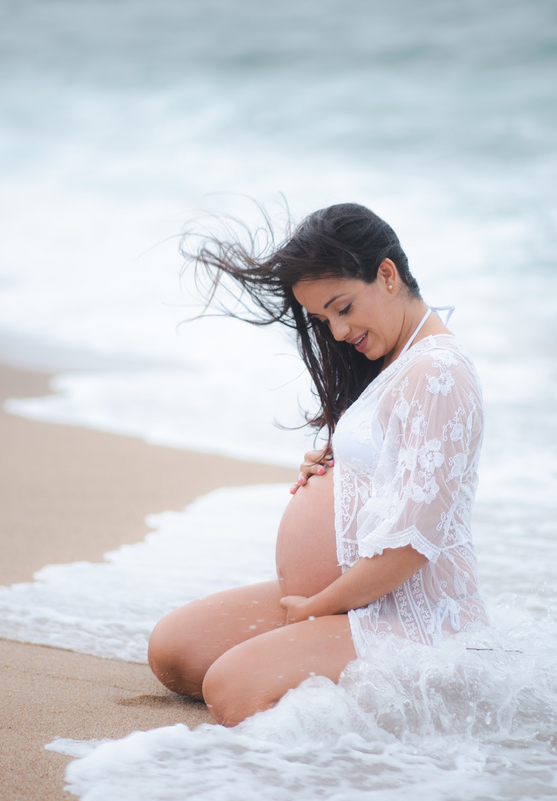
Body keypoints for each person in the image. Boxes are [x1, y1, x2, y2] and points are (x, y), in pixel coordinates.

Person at [147, 202, 487, 726]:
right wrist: (339, 465)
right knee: (175, 651)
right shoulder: (395, 362)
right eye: (323, 319)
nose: (336, 331)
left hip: (411, 613)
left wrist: (318, 608)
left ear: (387, 275)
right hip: (357, 598)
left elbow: (414, 544)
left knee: (230, 690)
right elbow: (392, 468)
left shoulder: (437, 371)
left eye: (342, 307)